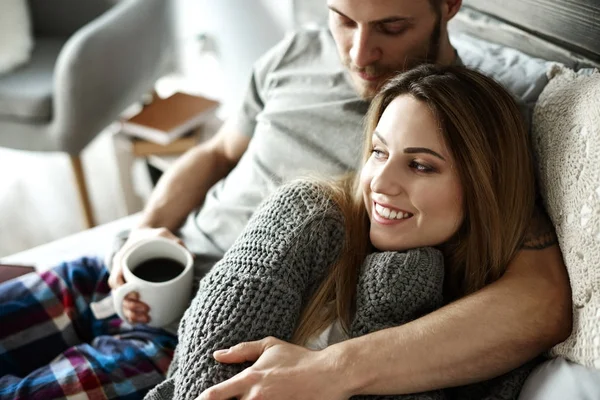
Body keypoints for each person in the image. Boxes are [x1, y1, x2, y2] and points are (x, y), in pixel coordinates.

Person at [0, 0, 571, 399]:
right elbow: (216, 153)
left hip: (198, 338)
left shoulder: (477, 127)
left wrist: (332, 370)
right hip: (140, 274)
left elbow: (540, 299)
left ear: (448, 5)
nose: (360, 53)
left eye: (390, 28)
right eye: (343, 20)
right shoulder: (297, 52)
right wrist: (147, 234)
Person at [144, 64, 541, 400]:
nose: (381, 182)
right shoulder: (308, 216)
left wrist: (396, 291)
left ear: (485, 186)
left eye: (420, 165)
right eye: (379, 152)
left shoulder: (489, 327)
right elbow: (208, 356)